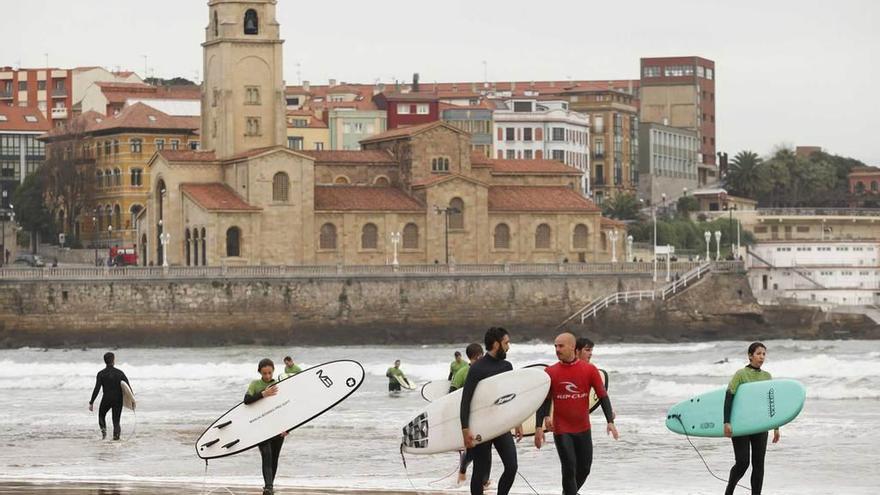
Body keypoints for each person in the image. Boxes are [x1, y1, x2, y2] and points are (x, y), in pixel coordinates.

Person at [535, 333, 618, 495]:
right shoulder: (550, 372)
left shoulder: (589, 370)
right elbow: (544, 400)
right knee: (569, 468)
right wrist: (539, 426)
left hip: (583, 428)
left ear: (572, 347)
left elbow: (602, 395)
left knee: (585, 468)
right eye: (555, 346)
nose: (557, 349)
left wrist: (610, 421)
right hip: (562, 429)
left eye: (561, 346)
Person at [461, 327, 522, 495]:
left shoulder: (506, 366)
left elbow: (510, 397)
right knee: (480, 470)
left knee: (511, 466)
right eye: (506, 343)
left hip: (501, 425)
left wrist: (518, 421)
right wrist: (465, 429)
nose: (508, 347)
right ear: (496, 344)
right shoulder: (477, 369)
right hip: (482, 425)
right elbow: (466, 400)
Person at [723, 342, 779, 495]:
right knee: (742, 463)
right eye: (758, 354)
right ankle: (729, 491)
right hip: (741, 424)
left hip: (761, 425)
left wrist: (776, 427)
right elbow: (729, 396)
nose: (762, 357)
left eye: (764, 354)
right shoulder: (741, 374)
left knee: (759, 464)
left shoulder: (767, 376)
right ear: (750, 356)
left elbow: (771, 404)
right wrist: (726, 422)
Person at [244, 358, 289, 495]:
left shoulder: (279, 384)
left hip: (277, 427)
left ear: (273, 371)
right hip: (260, 427)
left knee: (274, 457)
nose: (267, 376)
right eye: (264, 373)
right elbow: (246, 401)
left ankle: (269, 486)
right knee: (267, 455)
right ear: (260, 372)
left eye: (270, 373)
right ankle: (268, 487)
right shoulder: (255, 384)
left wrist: (288, 429)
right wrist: (263, 394)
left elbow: (288, 407)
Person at [451, 343, 485, 486]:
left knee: (483, 449)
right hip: (470, 416)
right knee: (473, 447)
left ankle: (483, 481)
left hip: (481, 415)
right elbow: (452, 392)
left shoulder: (479, 370)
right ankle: (464, 471)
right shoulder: (464, 372)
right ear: (479, 356)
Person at [88, 352, 131, 441]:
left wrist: (91, 402)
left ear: (105, 361)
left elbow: (97, 388)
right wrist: (132, 400)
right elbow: (128, 388)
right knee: (116, 421)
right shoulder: (120, 373)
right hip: (118, 399)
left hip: (106, 398)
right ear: (113, 360)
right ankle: (116, 440)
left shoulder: (101, 374)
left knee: (101, 416)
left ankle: (104, 436)